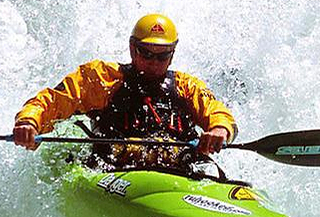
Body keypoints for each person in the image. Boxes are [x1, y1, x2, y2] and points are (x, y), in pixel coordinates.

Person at [12, 14, 237, 170]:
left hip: (180, 170)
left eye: (162, 56)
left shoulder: (187, 86)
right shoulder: (102, 78)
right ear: (132, 48)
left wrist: (219, 130)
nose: (154, 63)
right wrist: (29, 123)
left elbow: (217, 113)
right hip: (114, 170)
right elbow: (51, 101)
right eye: (146, 54)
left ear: (173, 53)